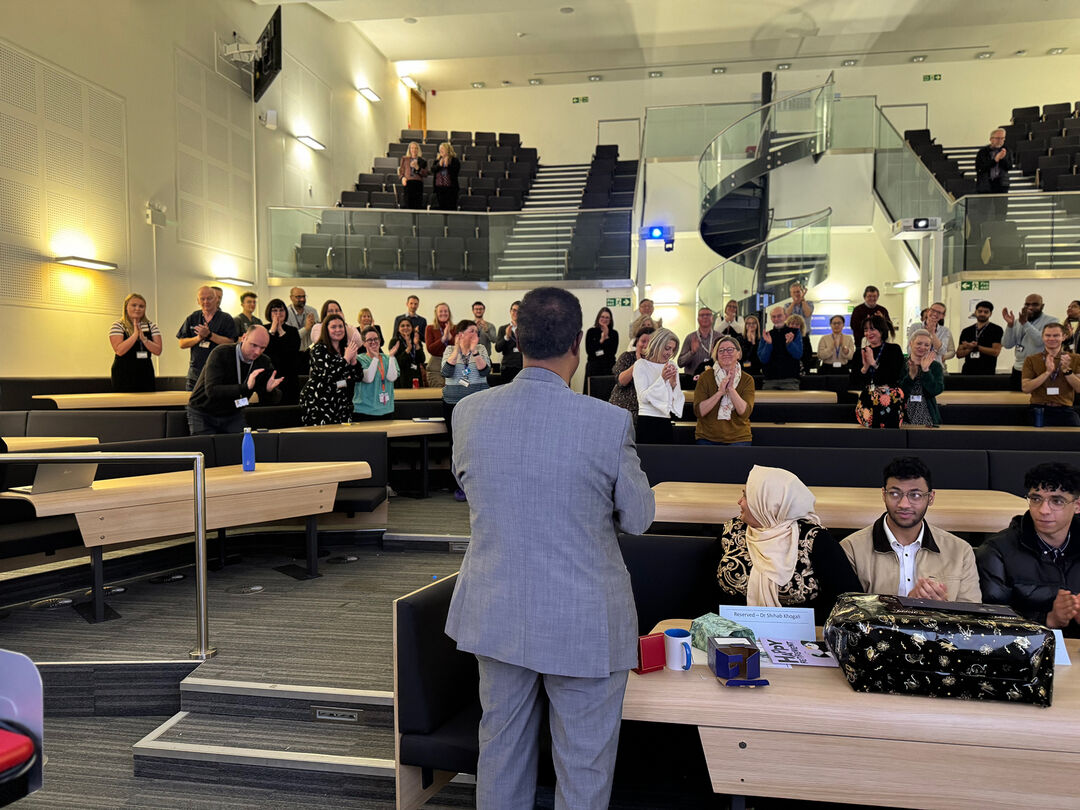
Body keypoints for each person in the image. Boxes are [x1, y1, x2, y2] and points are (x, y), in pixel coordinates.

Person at [445, 286, 654, 810]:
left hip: (497, 610)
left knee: (501, 752)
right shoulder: (607, 422)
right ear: (578, 344)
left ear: (514, 338)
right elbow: (640, 517)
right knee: (583, 766)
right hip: (583, 618)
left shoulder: (469, 414)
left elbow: (471, 485)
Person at [715, 465, 862, 624]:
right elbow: (707, 589)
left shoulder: (814, 539)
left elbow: (847, 600)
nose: (740, 502)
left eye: (746, 496)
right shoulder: (732, 531)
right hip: (733, 632)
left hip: (803, 637)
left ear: (768, 503)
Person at [841, 457, 981, 602]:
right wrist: (905, 606)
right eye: (895, 494)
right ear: (884, 494)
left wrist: (941, 612)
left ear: (931, 498)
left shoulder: (961, 551)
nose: (904, 504)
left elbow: (972, 618)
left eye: (915, 495)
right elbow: (845, 614)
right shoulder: (851, 549)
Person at [977, 462, 1080, 636]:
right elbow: (988, 622)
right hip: (1023, 655)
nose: (1044, 510)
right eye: (1036, 499)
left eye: (1057, 501)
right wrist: (1048, 620)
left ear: (1077, 505)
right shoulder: (996, 551)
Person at [185, 325, 283, 435]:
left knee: (242, 446)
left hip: (233, 412)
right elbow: (212, 391)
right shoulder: (221, 353)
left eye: (262, 348)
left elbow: (273, 399)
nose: (257, 352)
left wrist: (269, 391)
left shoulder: (263, 362)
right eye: (254, 345)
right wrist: (245, 387)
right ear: (244, 337)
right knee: (207, 449)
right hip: (203, 411)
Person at [442, 321, 491, 500]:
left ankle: (478, 483)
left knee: (477, 443)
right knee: (456, 443)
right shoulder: (449, 350)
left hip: (478, 402)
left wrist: (474, 351)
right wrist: (457, 349)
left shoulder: (482, 349)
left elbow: (485, 371)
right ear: (460, 333)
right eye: (471, 331)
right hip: (453, 403)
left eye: (476, 332)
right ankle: (457, 483)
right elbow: (446, 371)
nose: (474, 335)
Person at [300, 313, 362, 426]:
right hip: (318, 400)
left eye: (340, 326)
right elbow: (328, 375)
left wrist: (353, 362)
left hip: (339, 400)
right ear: (326, 330)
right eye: (333, 327)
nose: (338, 329)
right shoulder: (318, 349)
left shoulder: (346, 349)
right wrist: (346, 359)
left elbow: (357, 377)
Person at [693, 336, 755, 446]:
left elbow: (745, 413)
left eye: (730, 349)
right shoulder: (705, 377)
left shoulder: (747, 379)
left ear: (738, 354)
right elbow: (699, 412)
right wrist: (720, 393)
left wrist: (731, 389)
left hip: (738, 437)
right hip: (707, 437)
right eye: (721, 350)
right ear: (716, 355)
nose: (725, 353)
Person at [176, 285, 237, 390]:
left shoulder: (226, 318)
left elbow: (231, 343)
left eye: (209, 298)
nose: (206, 302)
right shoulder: (193, 318)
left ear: (216, 299)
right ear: (198, 301)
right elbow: (182, 343)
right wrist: (198, 338)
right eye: (202, 299)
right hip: (195, 374)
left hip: (219, 373)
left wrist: (209, 335)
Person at [1021, 321, 1080, 426]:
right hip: (1038, 409)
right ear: (1043, 337)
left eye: (1056, 335)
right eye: (1048, 335)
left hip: (1065, 410)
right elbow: (1026, 388)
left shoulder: (1075, 358)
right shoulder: (1031, 359)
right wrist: (1047, 372)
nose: (1051, 339)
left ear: (1064, 337)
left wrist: (1067, 370)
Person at [851, 315, 906, 428]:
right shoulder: (860, 353)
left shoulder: (894, 349)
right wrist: (865, 368)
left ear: (881, 330)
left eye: (872, 329)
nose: (868, 333)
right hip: (869, 399)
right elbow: (854, 381)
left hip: (891, 397)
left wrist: (874, 364)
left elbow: (893, 376)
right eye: (866, 329)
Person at [632, 327, 685, 444]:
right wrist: (662, 379)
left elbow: (675, 400)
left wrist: (673, 385)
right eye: (667, 348)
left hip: (665, 421)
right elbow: (643, 398)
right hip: (647, 421)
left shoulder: (671, 365)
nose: (670, 353)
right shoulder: (641, 365)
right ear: (657, 345)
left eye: (673, 350)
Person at [1003, 294, 1058, 389]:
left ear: (1042, 306)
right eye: (1027, 305)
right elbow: (1006, 344)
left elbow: (1040, 341)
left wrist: (1025, 323)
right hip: (1018, 369)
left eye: (1035, 304)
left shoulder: (1052, 321)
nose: (1030, 307)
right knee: (1016, 400)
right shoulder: (1017, 321)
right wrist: (1010, 325)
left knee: (1039, 401)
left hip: (1040, 370)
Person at [109, 293, 161, 392]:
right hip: (123, 372)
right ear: (126, 307)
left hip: (145, 372)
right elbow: (119, 350)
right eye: (134, 305)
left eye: (141, 306)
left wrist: (144, 339)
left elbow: (158, 350)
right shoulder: (118, 325)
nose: (137, 309)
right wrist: (135, 335)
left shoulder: (151, 326)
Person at [609, 326, 655, 422]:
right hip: (623, 406)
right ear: (637, 342)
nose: (646, 345)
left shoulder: (657, 362)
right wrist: (638, 363)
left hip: (646, 410)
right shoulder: (627, 356)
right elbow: (621, 381)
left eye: (650, 342)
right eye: (643, 341)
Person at [353, 328, 400, 420]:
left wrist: (391, 357)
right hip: (364, 411)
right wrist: (375, 358)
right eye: (369, 340)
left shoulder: (388, 358)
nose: (373, 342)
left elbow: (392, 377)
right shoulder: (359, 359)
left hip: (386, 409)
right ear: (364, 343)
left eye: (376, 339)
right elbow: (368, 378)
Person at [901, 329, 945, 427]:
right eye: (919, 343)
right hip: (903, 414)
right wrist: (910, 376)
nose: (922, 347)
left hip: (927, 415)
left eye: (927, 345)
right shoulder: (901, 364)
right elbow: (898, 392)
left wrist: (926, 370)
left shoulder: (935, 366)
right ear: (911, 343)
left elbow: (935, 390)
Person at [263, 298, 302, 405]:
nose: (278, 314)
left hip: (289, 375)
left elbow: (292, 351)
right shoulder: (263, 329)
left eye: (281, 310)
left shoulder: (292, 331)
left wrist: (280, 330)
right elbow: (264, 350)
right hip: (270, 375)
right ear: (269, 313)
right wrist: (272, 330)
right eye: (275, 311)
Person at [758, 306, 803, 390]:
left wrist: (790, 344)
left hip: (790, 380)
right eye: (774, 316)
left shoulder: (795, 332)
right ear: (771, 319)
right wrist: (768, 344)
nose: (776, 319)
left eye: (779, 316)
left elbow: (798, 354)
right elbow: (763, 359)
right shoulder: (767, 335)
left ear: (785, 316)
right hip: (770, 380)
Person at [956, 300, 1004, 375]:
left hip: (987, 372)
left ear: (990, 314)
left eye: (986, 312)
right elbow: (959, 354)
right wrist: (971, 348)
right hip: (967, 372)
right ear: (975, 312)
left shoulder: (997, 329)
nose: (982, 314)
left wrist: (977, 347)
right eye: (980, 311)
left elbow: (996, 352)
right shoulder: (966, 331)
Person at [974, 128, 1011, 220]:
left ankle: (999, 233)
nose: (1000, 141)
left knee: (1001, 213)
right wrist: (995, 160)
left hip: (1001, 185)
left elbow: (1009, 167)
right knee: (983, 213)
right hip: (986, 185)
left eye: (1003, 138)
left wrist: (1002, 158)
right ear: (991, 139)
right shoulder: (982, 152)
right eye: (998, 138)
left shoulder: (1007, 151)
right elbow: (980, 168)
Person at [583, 306, 620, 393]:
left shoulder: (614, 334)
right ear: (598, 318)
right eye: (602, 317)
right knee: (592, 393)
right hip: (593, 368)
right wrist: (602, 339)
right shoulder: (591, 332)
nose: (604, 319)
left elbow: (612, 353)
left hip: (609, 368)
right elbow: (590, 352)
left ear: (610, 320)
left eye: (607, 317)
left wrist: (607, 336)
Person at [677, 307, 722, 376]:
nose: (705, 317)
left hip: (715, 379)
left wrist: (716, 354)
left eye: (708, 315)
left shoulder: (719, 337)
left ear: (712, 318)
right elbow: (680, 363)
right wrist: (692, 352)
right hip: (693, 380)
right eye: (702, 315)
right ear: (698, 319)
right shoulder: (690, 338)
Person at [287, 287, 318, 375]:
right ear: (291, 298)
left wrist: (314, 325)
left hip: (309, 353)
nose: (302, 299)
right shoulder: (286, 313)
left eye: (304, 297)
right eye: (298, 297)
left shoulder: (312, 311)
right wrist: (306, 328)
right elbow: (291, 338)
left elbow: (317, 333)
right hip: (293, 354)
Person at [783, 282, 814, 371]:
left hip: (804, 337)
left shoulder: (809, 303)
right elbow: (787, 315)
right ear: (791, 294)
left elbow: (807, 313)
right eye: (794, 292)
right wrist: (794, 302)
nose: (797, 294)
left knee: (806, 360)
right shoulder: (787, 305)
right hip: (790, 338)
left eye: (798, 292)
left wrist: (802, 300)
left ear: (802, 292)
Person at [388, 317, 426, 388]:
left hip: (415, 375)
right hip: (401, 377)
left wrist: (417, 344)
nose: (405, 327)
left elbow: (422, 359)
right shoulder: (394, 341)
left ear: (412, 328)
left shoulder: (416, 340)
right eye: (402, 326)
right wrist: (408, 349)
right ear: (398, 329)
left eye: (408, 325)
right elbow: (397, 363)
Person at [425, 302, 456, 388]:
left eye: (445, 311)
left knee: (452, 391)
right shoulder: (430, 328)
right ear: (436, 314)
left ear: (449, 313)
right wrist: (443, 339)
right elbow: (430, 349)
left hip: (452, 362)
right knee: (437, 393)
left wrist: (449, 337)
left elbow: (459, 348)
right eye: (441, 311)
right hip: (436, 364)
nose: (443, 313)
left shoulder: (455, 328)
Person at [495, 300, 523, 383]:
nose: (516, 313)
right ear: (510, 311)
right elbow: (498, 348)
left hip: (522, 366)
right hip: (507, 366)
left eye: (519, 311)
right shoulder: (503, 329)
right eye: (514, 310)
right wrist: (506, 337)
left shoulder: (526, 329)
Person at [399, 141, 428, 210]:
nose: (414, 150)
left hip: (418, 184)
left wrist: (418, 168)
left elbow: (425, 174)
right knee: (408, 204)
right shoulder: (405, 159)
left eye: (415, 148)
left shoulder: (422, 160)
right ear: (409, 149)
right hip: (408, 183)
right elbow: (401, 171)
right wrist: (402, 178)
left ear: (418, 150)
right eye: (412, 148)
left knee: (417, 204)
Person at [432, 142, 461, 211]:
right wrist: (439, 165)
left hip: (451, 190)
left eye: (442, 149)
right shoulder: (437, 160)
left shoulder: (454, 160)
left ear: (448, 150)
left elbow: (456, 172)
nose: (440, 150)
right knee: (441, 208)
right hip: (439, 189)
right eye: (440, 149)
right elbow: (433, 170)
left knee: (450, 208)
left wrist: (448, 165)